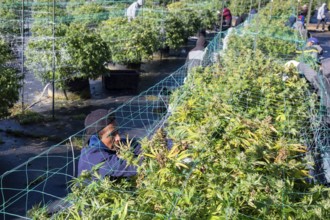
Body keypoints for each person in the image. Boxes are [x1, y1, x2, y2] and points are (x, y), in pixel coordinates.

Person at [77, 109, 140, 179]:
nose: (118, 138)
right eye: (112, 134)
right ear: (97, 138)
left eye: (117, 131)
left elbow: (136, 145)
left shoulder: (105, 143)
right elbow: (131, 167)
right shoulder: (94, 158)